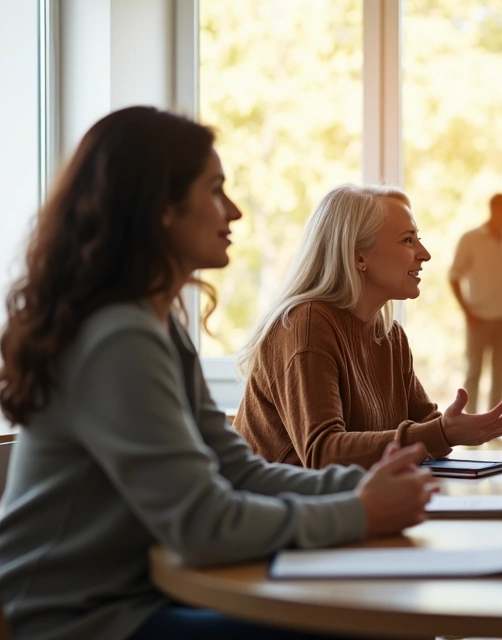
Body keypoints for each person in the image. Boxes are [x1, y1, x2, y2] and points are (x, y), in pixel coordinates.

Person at [0, 106, 436, 640]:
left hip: (146, 594)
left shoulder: (160, 325)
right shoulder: (118, 337)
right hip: (87, 620)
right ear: (162, 208)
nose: (233, 211)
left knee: (375, 619)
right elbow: (203, 525)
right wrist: (360, 511)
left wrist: (365, 486)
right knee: (363, 627)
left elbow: (238, 469)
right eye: (215, 191)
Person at [233, 185, 502, 469]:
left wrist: (452, 429)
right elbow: (322, 452)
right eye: (408, 240)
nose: (424, 253)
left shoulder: (388, 335)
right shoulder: (307, 326)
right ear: (359, 256)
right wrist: (441, 432)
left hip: (347, 508)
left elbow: (427, 427)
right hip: (284, 517)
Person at [449, 193, 502, 414]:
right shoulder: (470, 239)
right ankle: (470, 424)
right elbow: (454, 276)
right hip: (478, 318)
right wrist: (467, 313)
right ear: (495, 209)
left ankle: (493, 425)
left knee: (499, 373)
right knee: (474, 372)